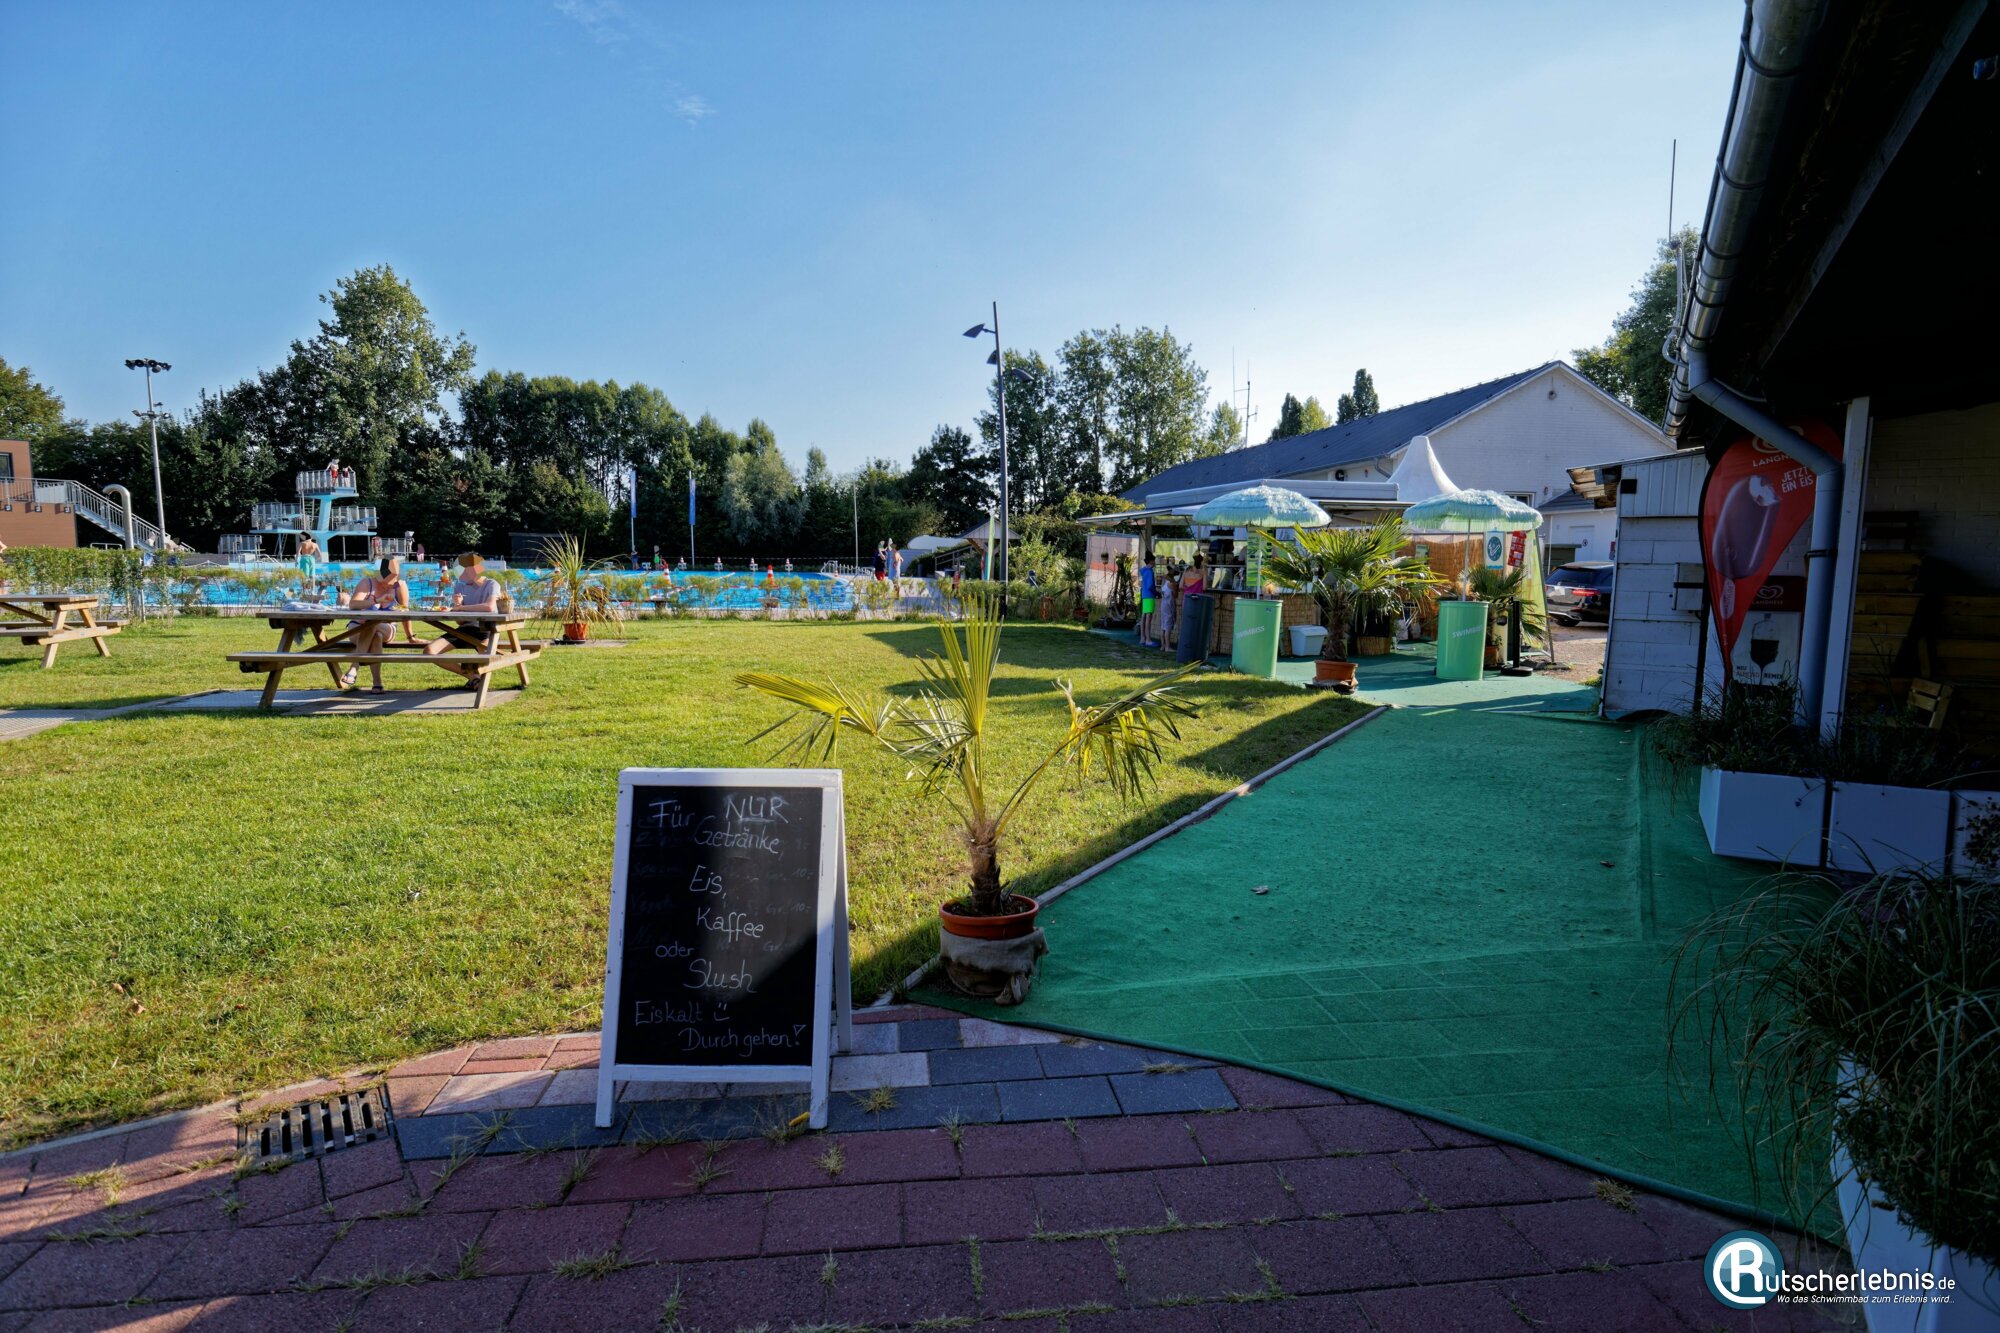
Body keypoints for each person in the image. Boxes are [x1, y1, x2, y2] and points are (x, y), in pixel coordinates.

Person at [424, 552, 504, 678]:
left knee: (485, 652)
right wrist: (457, 605)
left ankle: (479, 682)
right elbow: (460, 622)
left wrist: (461, 607)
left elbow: (489, 607)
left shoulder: (492, 584)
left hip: (487, 629)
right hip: (465, 629)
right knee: (429, 651)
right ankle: (472, 678)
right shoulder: (460, 586)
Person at [339, 556, 410, 693]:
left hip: (387, 628)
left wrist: (410, 636)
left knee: (373, 623)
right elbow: (353, 604)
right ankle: (377, 683)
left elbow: (405, 610)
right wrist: (376, 600)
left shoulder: (399, 585)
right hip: (358, 627)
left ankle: (354, 666)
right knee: (376, 634)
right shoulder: (367, 583)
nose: (388, 584)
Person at [1138, 552, 1158, 646]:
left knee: (1144, 616)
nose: (1155, 562)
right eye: (1154, 560)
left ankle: (1142, 638)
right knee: (1148, 618)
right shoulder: (1150, 572)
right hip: (1150, 596)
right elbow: (1150, 586)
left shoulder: (1144, 571)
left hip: (1144, 595)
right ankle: (1148, 639)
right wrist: (1156, 593)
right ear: (1151, 561)